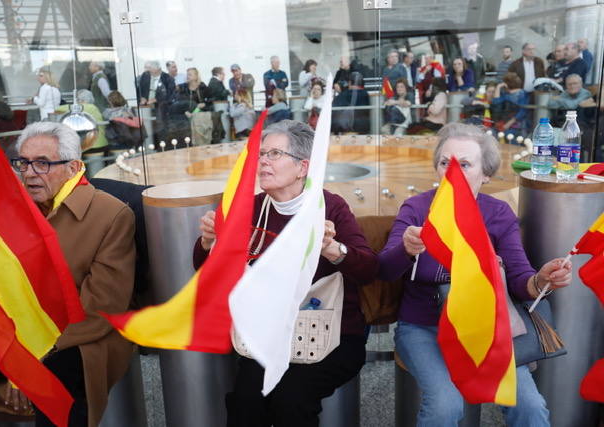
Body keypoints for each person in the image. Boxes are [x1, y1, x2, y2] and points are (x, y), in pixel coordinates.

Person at [378, 122, 572, 427]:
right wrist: (405, 248)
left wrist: (541, 281)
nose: (451, 171)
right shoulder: (417, 208)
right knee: (444, 406)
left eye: (464, 164)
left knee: (531, 407)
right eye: (445, 162)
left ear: (486, 173)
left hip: (483, 330)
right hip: (422, 328)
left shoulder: (498, 214)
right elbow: (385, 270)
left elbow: (522, 281)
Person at [195, 120, 377, 427]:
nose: (263, 160)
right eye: (262, 153)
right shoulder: (248, 209)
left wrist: (332, 248)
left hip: (330, 336)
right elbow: (205, 271)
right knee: (245, 404)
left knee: (291, 399)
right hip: (267, 335)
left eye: (275, 153)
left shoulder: (330, 208)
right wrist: (207, 242)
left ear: (302, 167)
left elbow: (370, 270)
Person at [10, 121, 135, 426]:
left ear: (73, 167)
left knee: (55, 381)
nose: (29, 173)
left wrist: (35, 352)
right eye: (23, 163)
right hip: (18, 332)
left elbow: (100, 308)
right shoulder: (12, 210)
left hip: (81, 337)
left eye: (42, 163)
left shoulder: (111, 215)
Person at [55, 89, 108, 154]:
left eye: (77, 99)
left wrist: (50, 108)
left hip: (94, 145)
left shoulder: (87, 107)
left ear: (81, 100)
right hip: (101, 143)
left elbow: (61, 108)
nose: (77, 101)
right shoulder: (93, 107)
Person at [492, 72, 530, 138]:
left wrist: (498, 87)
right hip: (512, 126)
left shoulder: (507, 95)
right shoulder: (523, 93)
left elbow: (496, 103)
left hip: (515, 127)